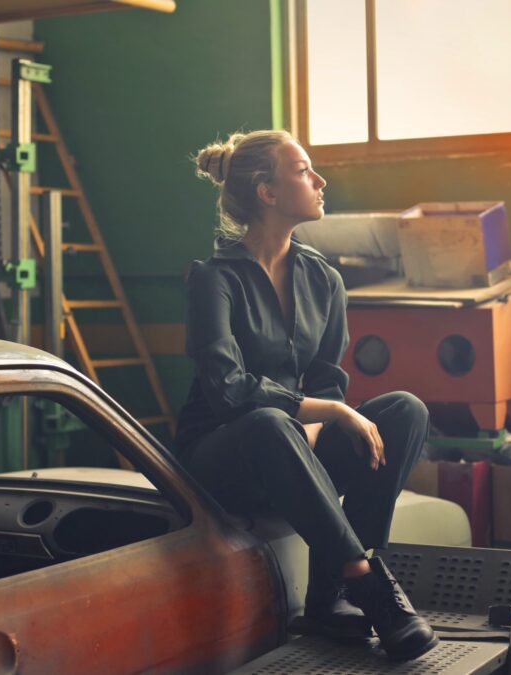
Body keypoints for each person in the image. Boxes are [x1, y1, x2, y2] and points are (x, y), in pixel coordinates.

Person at [174, 129, 437, 661]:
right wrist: (327, 414)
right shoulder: (213, 279)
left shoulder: (324, 279)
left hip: (295, 446)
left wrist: (317, 424)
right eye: (302, 171)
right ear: (267, 192)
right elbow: (228, 391)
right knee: (271, 424)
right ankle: (365, 580)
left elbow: (325, 377)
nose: (319, 181)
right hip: (225, 456)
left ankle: (327, 599)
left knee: (404, 410)